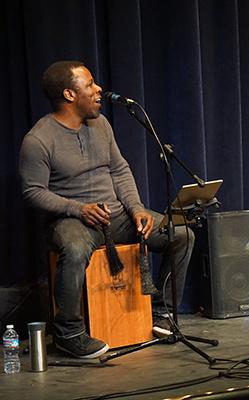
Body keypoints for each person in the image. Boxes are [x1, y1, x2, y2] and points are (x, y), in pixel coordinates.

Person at [19, 61, 195, 358]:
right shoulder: (38, 140)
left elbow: (120, 170)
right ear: (70, 94)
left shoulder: (101, 125)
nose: (98, 89)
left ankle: (160, 313)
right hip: (73, 221)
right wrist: (78, 208)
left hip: (116, 216)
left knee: (182, 234)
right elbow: (32, 193)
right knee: (74, 249)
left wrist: (137, 208)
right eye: (89, 84)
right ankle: (69, 333)